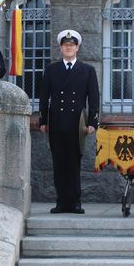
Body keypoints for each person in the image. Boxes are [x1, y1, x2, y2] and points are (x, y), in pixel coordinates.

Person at [37, 30, 100, 215]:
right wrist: (43, 120)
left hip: (76, 124)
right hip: (56, 122)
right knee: (59, 164)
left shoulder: (87, 70)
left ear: (77, 47)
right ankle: (61, 202)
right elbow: (44, 97)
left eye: (72, 45)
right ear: (61, 48)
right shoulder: (51, 69)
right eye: (65, 45)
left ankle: (75, 202)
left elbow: (94, 98)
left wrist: (93, 122)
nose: (68, 48)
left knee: (74, 163)